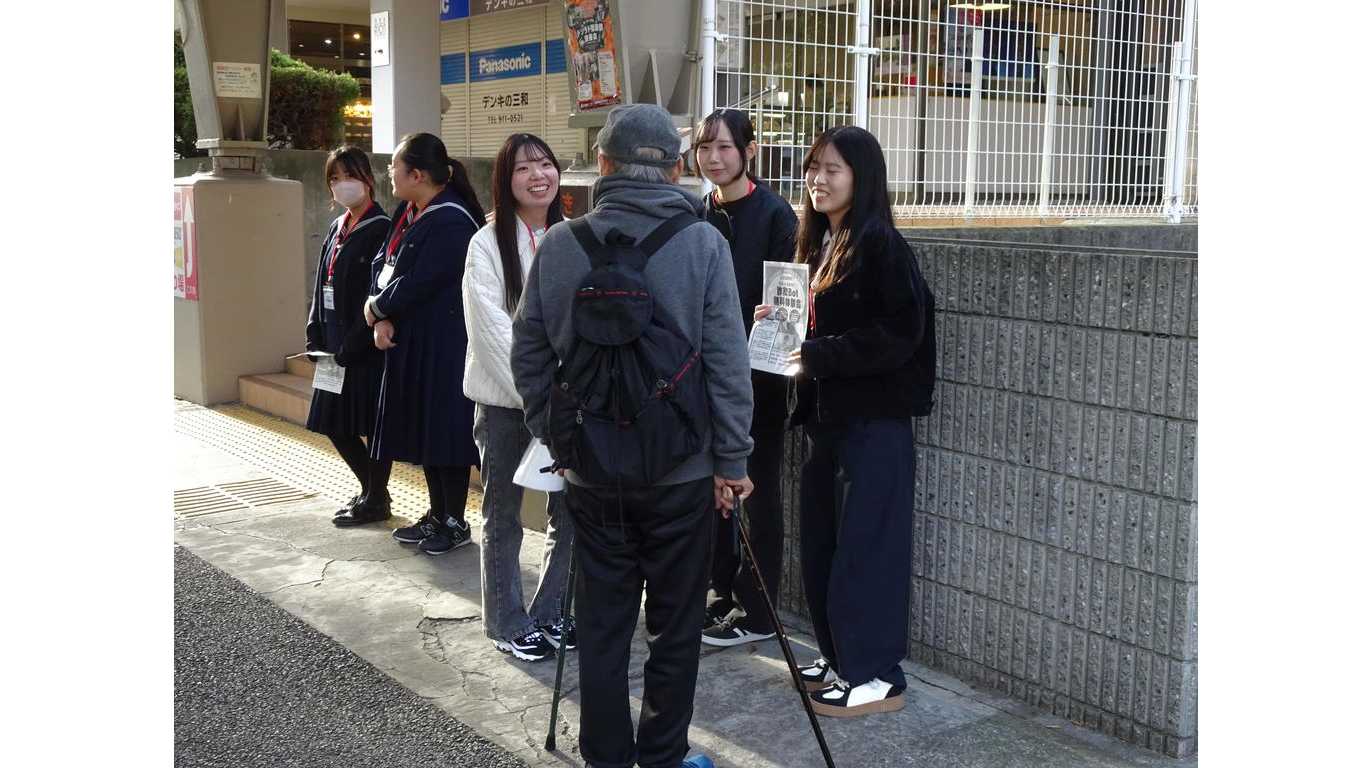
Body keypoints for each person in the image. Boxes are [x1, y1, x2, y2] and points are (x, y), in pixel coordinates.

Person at [511, 103, 752, 768]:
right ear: (676, 169)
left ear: (606, 166)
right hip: (682, 474)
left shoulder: (561, 244)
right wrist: (732, 459)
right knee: (674, 628)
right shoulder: (705, 244)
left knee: (603, 623)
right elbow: (727, 363)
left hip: (591, 472)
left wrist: (555, 434)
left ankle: (606, 756)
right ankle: (664, 756)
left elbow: (528, 354)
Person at [757, 126, 935, 718]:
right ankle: (840, 656)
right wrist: (776, 322)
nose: (818, 180)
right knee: (825, 545)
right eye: (812, 168)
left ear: (863, 177)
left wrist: (818, 351)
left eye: (833, 169)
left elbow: (900, 335)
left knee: (868, 550)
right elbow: (812, 333)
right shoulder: (820, 243)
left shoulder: (882, 247)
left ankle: (877, 674)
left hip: (875, 426)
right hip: (828, 422)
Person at [462, 133, 575, 662]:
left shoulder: (573, 237)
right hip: (508, 406)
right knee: (502, 514)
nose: (539, 175)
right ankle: (507, 621)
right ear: (505, 181)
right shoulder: (484, 244)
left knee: (571, 511)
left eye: (546, 164)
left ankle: (552, 611)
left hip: (566, 404)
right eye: (525, 167)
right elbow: (491, 332)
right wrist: (538, 398)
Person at [692, 109, 797, 648]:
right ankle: (721, 593)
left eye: (725, 148)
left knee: (758, 491)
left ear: (750, 151)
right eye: (705, 148)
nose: (713, 158)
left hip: (760, 377)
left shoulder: (777, 215)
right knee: (712, 490)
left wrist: (761, 316)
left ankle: (759, 614)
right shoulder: (696, 212)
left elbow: (788, 305)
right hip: (703, 374)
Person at [363, 132, 485, 556]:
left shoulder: (451, 219)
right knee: (427, 434)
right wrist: (380, 313)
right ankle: (436, 514)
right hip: (415, 337)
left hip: (445, 345)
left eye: (394, 168)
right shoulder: (412, 210)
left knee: (446, 434)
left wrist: (378, 309)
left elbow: (421, 281)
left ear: (416, 174)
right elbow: (384, 262)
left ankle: (453, 519)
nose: (389, 175)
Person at [305, 146, 394, 527]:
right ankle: (372, 491)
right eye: (334, 178)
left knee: (372, 425)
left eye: (348, 175)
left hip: (364, 346)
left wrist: (356, 340)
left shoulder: (382, 228)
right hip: (332, 344)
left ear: (368, 179)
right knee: (331, 422)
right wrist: (314, 332)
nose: (342, 185)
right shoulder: (335, 227)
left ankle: (375, 496)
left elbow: (381, 290)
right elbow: (320, 284)